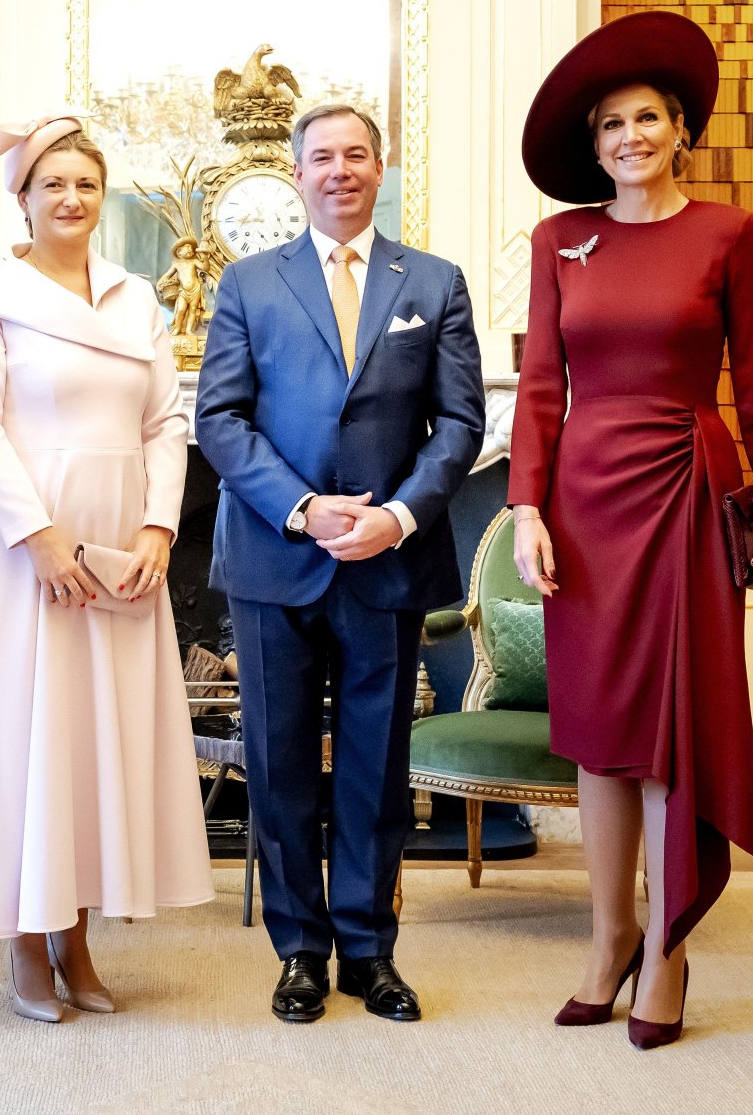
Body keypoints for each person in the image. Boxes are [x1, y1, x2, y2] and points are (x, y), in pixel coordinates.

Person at [510, 10, 753, 1050]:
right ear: (593, 150)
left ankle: (668, 950)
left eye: (646, 119)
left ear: (679, 129)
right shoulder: (560, 240)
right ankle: (608, 934)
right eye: (610, 127)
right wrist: (526, 508)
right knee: (599, 734)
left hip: (685, 493)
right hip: (586, 507)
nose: (628, 137)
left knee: (671, 738)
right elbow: (541, 388)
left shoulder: (728, 233)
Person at [0, 113, 213, 1023]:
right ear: (26, 197)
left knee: (97, 742)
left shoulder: (135, 297)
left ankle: (78, 940)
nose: (72, 198)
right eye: (54, 184)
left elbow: (165, 422)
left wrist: (161, 528)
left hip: (124, 549)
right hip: (25, 550)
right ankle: (24, 948)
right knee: (29, 738)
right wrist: (38, 538)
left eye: (86, 183)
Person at [195, 104, 485, 1024]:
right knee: (278, 769)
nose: (340, 170)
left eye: (356, 154)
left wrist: (395, 516)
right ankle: (300, 952)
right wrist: (304, 509)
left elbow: (462, 424)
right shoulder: (247, 282)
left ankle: (369, 950)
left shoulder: (433, 282)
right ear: (298, 170)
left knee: (374, 766)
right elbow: (220, 418)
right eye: (322, 157)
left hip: (387, 562)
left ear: (380, 165)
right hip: (276, 558)